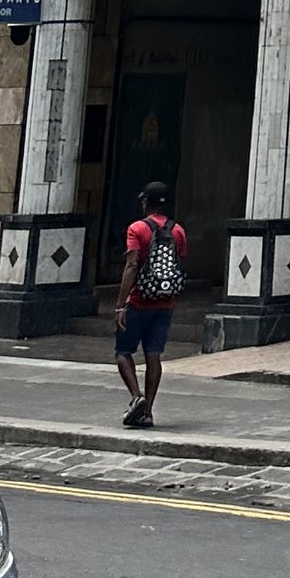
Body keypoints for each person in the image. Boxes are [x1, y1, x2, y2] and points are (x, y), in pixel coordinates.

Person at [114, 181, 185, 431]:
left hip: (138, 301)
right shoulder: (178, 231)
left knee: (123, 352)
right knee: (153, 355)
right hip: (165, 303)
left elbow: (132, 265)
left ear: (146, 202)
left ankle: (136, 396)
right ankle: (148, 412)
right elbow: (179, 262)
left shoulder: (137, 228)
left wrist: (121, 305)